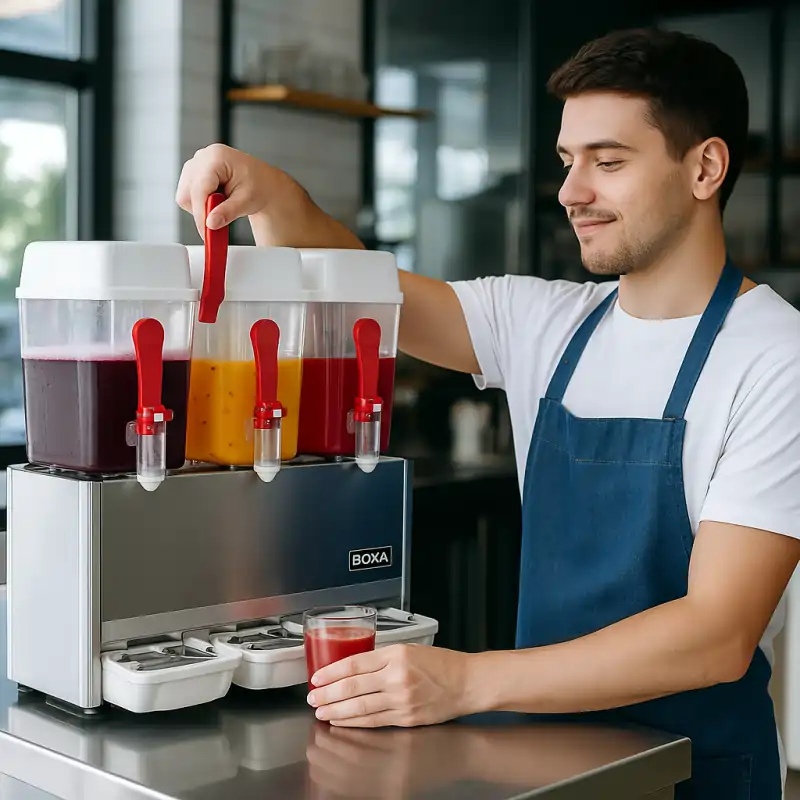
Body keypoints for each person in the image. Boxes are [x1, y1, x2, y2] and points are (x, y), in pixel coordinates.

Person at [176, 27, 800, 799]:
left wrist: (466, 682)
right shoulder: (548, 322)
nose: (572, 192)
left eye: (608, 162)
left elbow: (717, 635)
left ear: (705, 166)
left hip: (699, 773)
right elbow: (361, 288)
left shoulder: (775, 355)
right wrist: (271, 193)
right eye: (569, 162)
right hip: (547, 769)